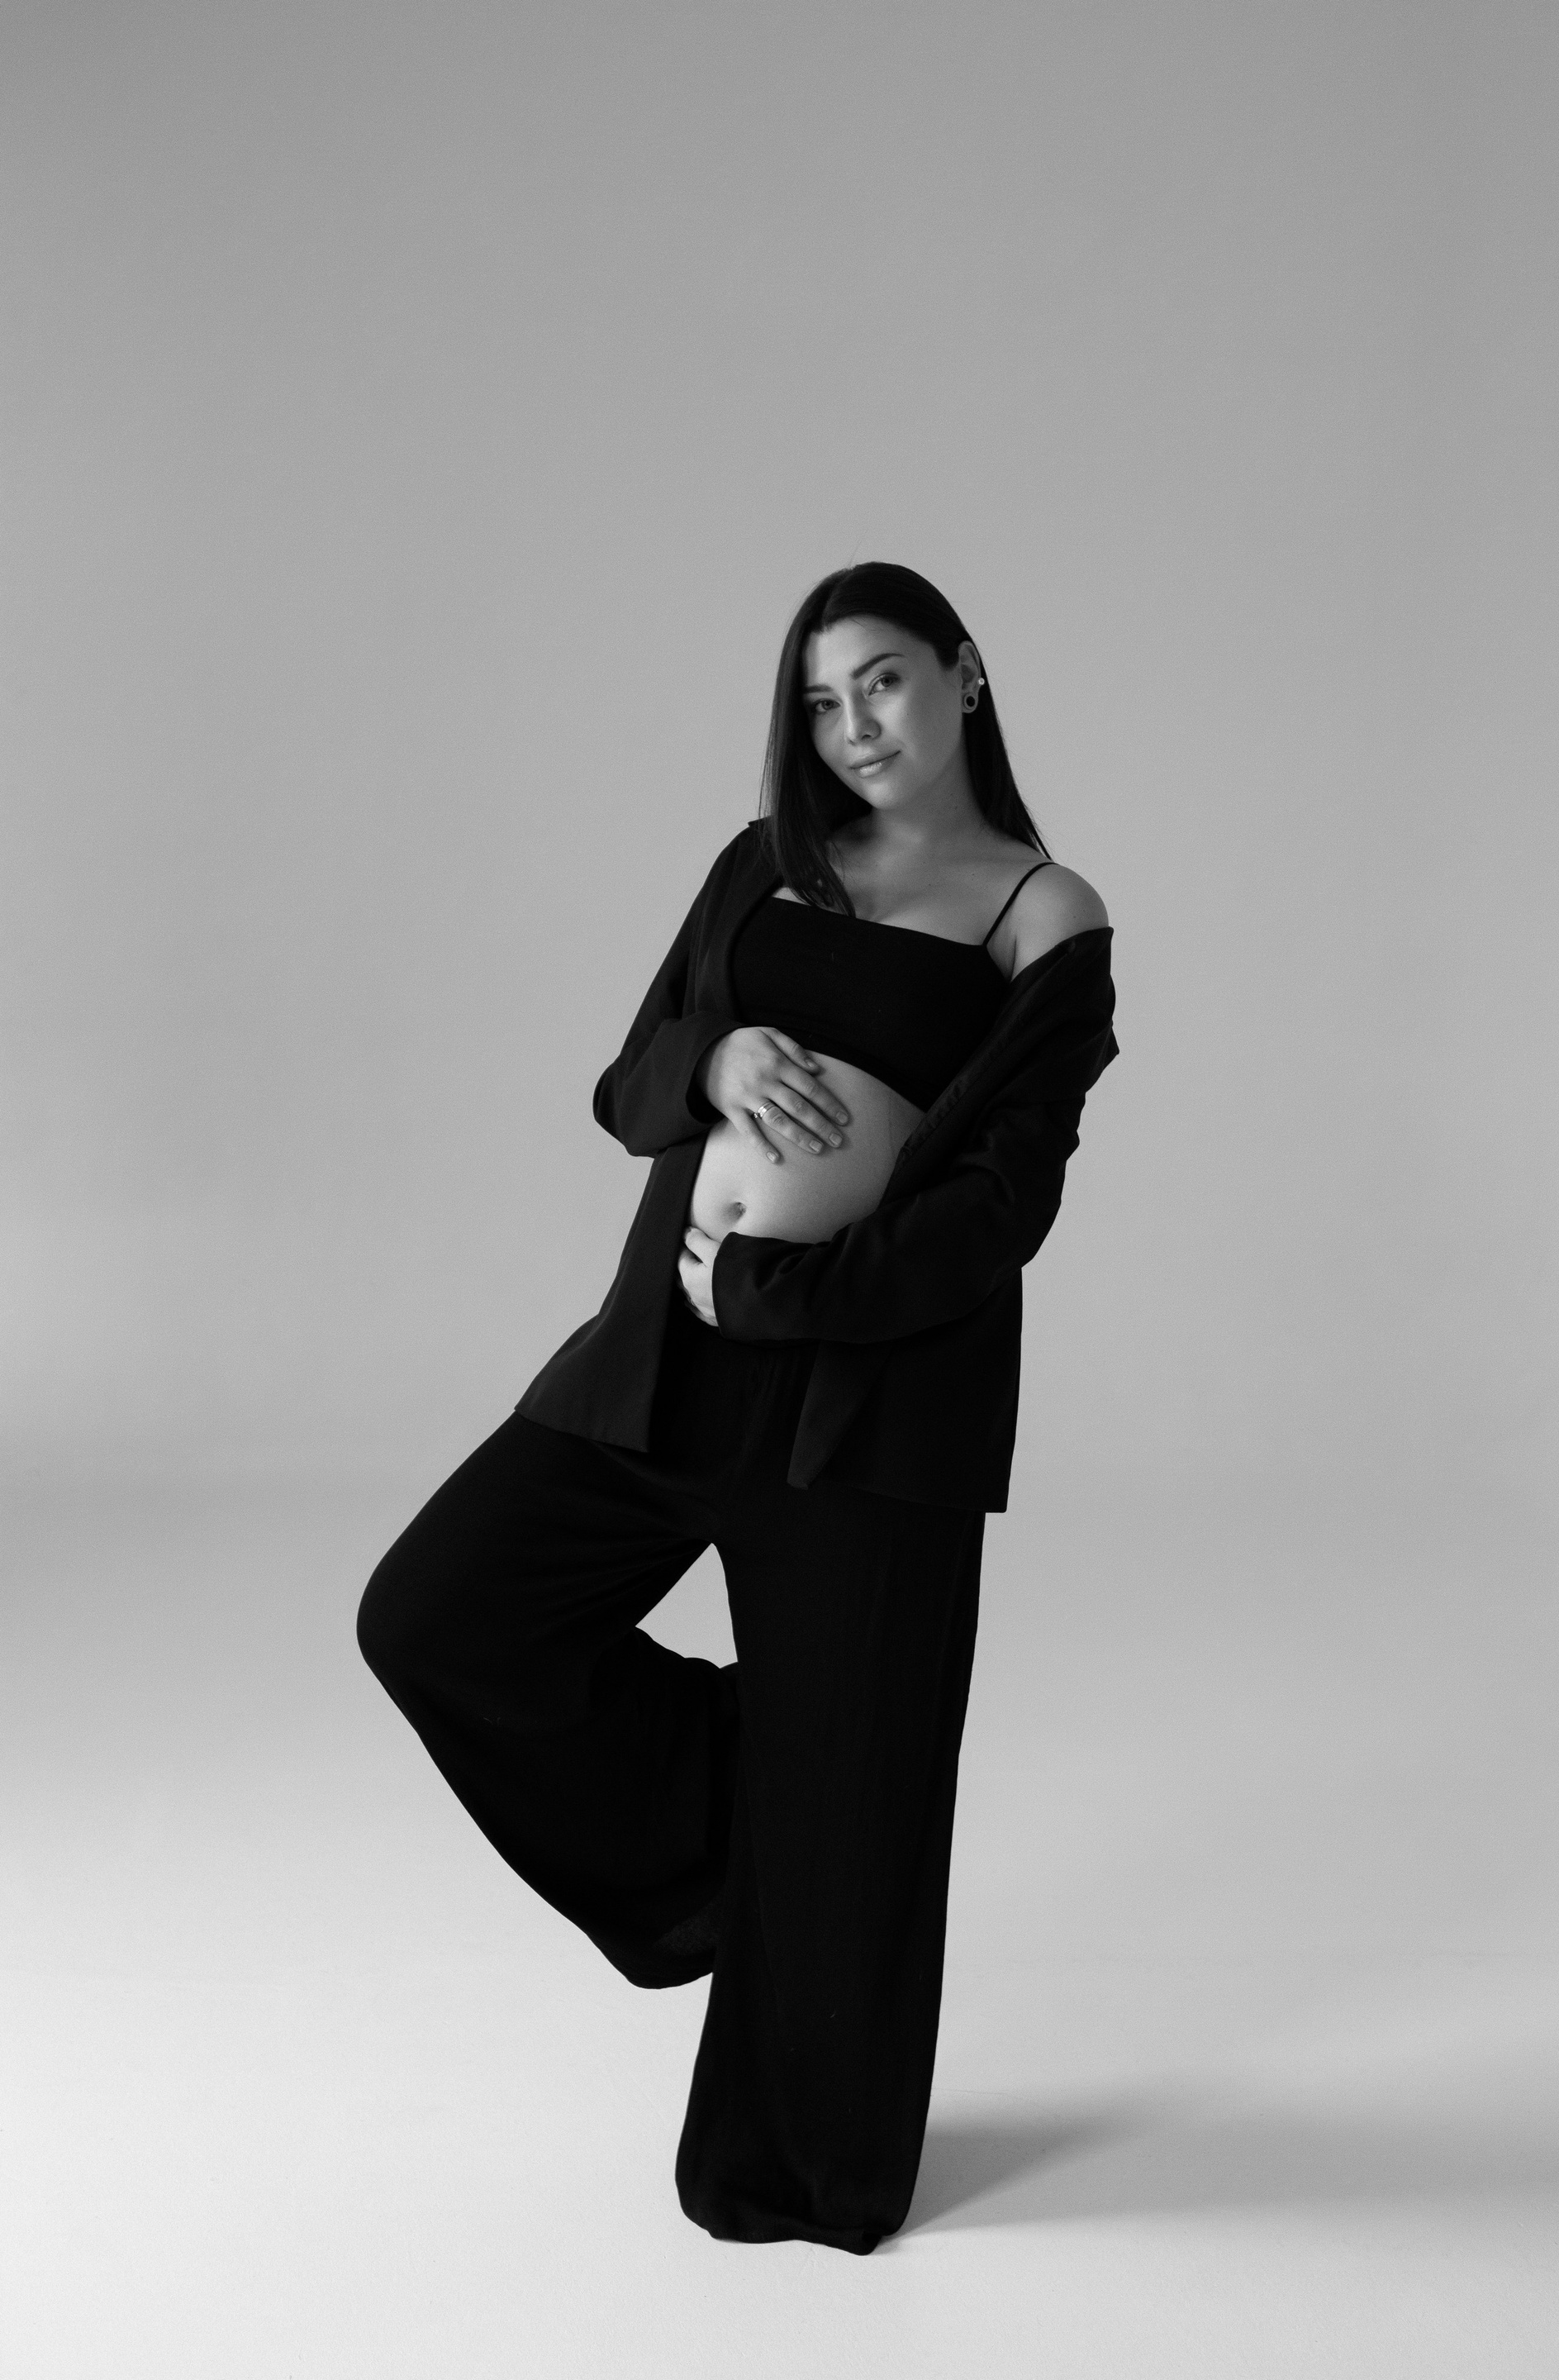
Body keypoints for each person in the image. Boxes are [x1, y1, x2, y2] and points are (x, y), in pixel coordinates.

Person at [357, 561, 1118, 2254]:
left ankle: (812, 2173)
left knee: (856, 1797)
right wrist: (709, 1062)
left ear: (965, 675)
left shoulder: (1042, 915)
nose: (855, 729)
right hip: (664, 1363)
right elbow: (629, 1082)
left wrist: (790, 1292)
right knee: (441, 1615)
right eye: (822, 703)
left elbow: (1003, 1202)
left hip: (872, 1404)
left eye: (885, 683)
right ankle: (734, 1818)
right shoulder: (765, 866)